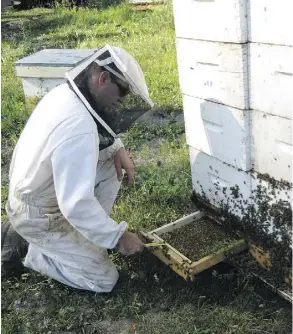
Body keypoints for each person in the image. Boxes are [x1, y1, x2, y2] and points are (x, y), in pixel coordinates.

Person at [2, 44, 154, 292]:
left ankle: (86, 235)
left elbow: (97, 134)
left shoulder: (66, 94)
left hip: (41, 192)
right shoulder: (77, 125)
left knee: (110, 161)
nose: (122, 102)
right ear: (104, 78)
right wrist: (117, 237)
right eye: (123, 92)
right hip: (38, 215)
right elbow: (75, 202)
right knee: (104, 280)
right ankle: (28, 250)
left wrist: (118, 149)